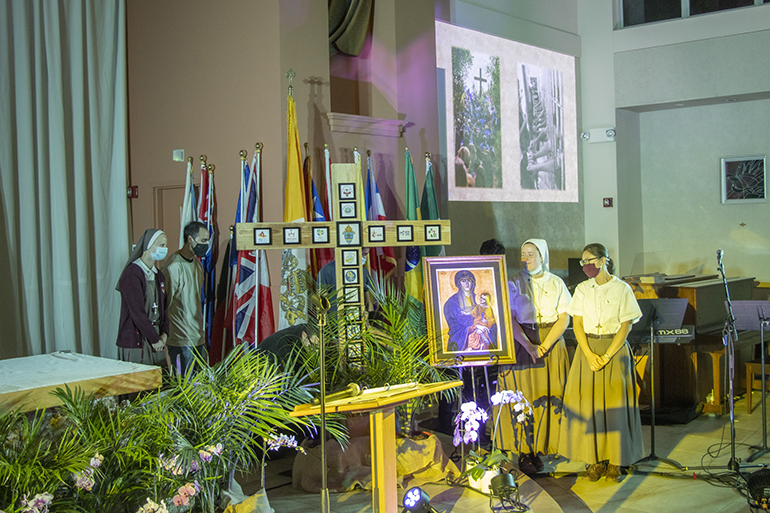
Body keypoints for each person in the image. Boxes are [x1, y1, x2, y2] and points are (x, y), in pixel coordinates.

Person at [558, 243, 644, 483]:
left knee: (615, 404)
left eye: (590, 261)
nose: (586, 266)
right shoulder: (582, 289)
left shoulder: (622, 289)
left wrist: (606, 356)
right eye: (582, 262)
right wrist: (587, 353)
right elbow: (576, 324)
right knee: (590, 406)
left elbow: (626, 326)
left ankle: (616, 461)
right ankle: (594, 459)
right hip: (588, 350)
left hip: (613, 350)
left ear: (604, 260)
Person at [495, 239, 571, 476]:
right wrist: (529, 346)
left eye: (531, 254)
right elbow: (510, 318)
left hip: (551, 343)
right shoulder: (514, 282)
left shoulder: (556, 282)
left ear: (542, 256)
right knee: (525, 396)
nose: (526, 258)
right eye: (523, 254)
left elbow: (564, 317)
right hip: (522, 343)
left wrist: (546, 344)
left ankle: (542, 449)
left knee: (548, 397)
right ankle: (524, 451)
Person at [162, 221, 209, 374]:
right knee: (184, 387)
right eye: (203, 241)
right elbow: (165, 303)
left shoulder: (197, 264)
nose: (206, 245)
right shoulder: (173, 266)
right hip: (180, 338)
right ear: (190, 240)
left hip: (198, 337)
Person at [115, 229, 169, 365]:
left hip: (157, 339)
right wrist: (154, 339)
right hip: (138, 341)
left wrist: (164, 333)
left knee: (161, 384)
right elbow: (137, 312)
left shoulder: (158, 275)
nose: (165, 249)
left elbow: (164, 309)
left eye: (165, 245)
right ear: (148, 246)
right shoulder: (132, 274)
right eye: (161, 245)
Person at [442, 270, 481, 353]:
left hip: (475, 335)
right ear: (459, 284)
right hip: (459, 338)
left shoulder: (476, 299)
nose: (466, 284)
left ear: (473, 283)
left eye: (469, 281)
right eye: (463, 281)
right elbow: (463, 321)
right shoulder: (452, 302)